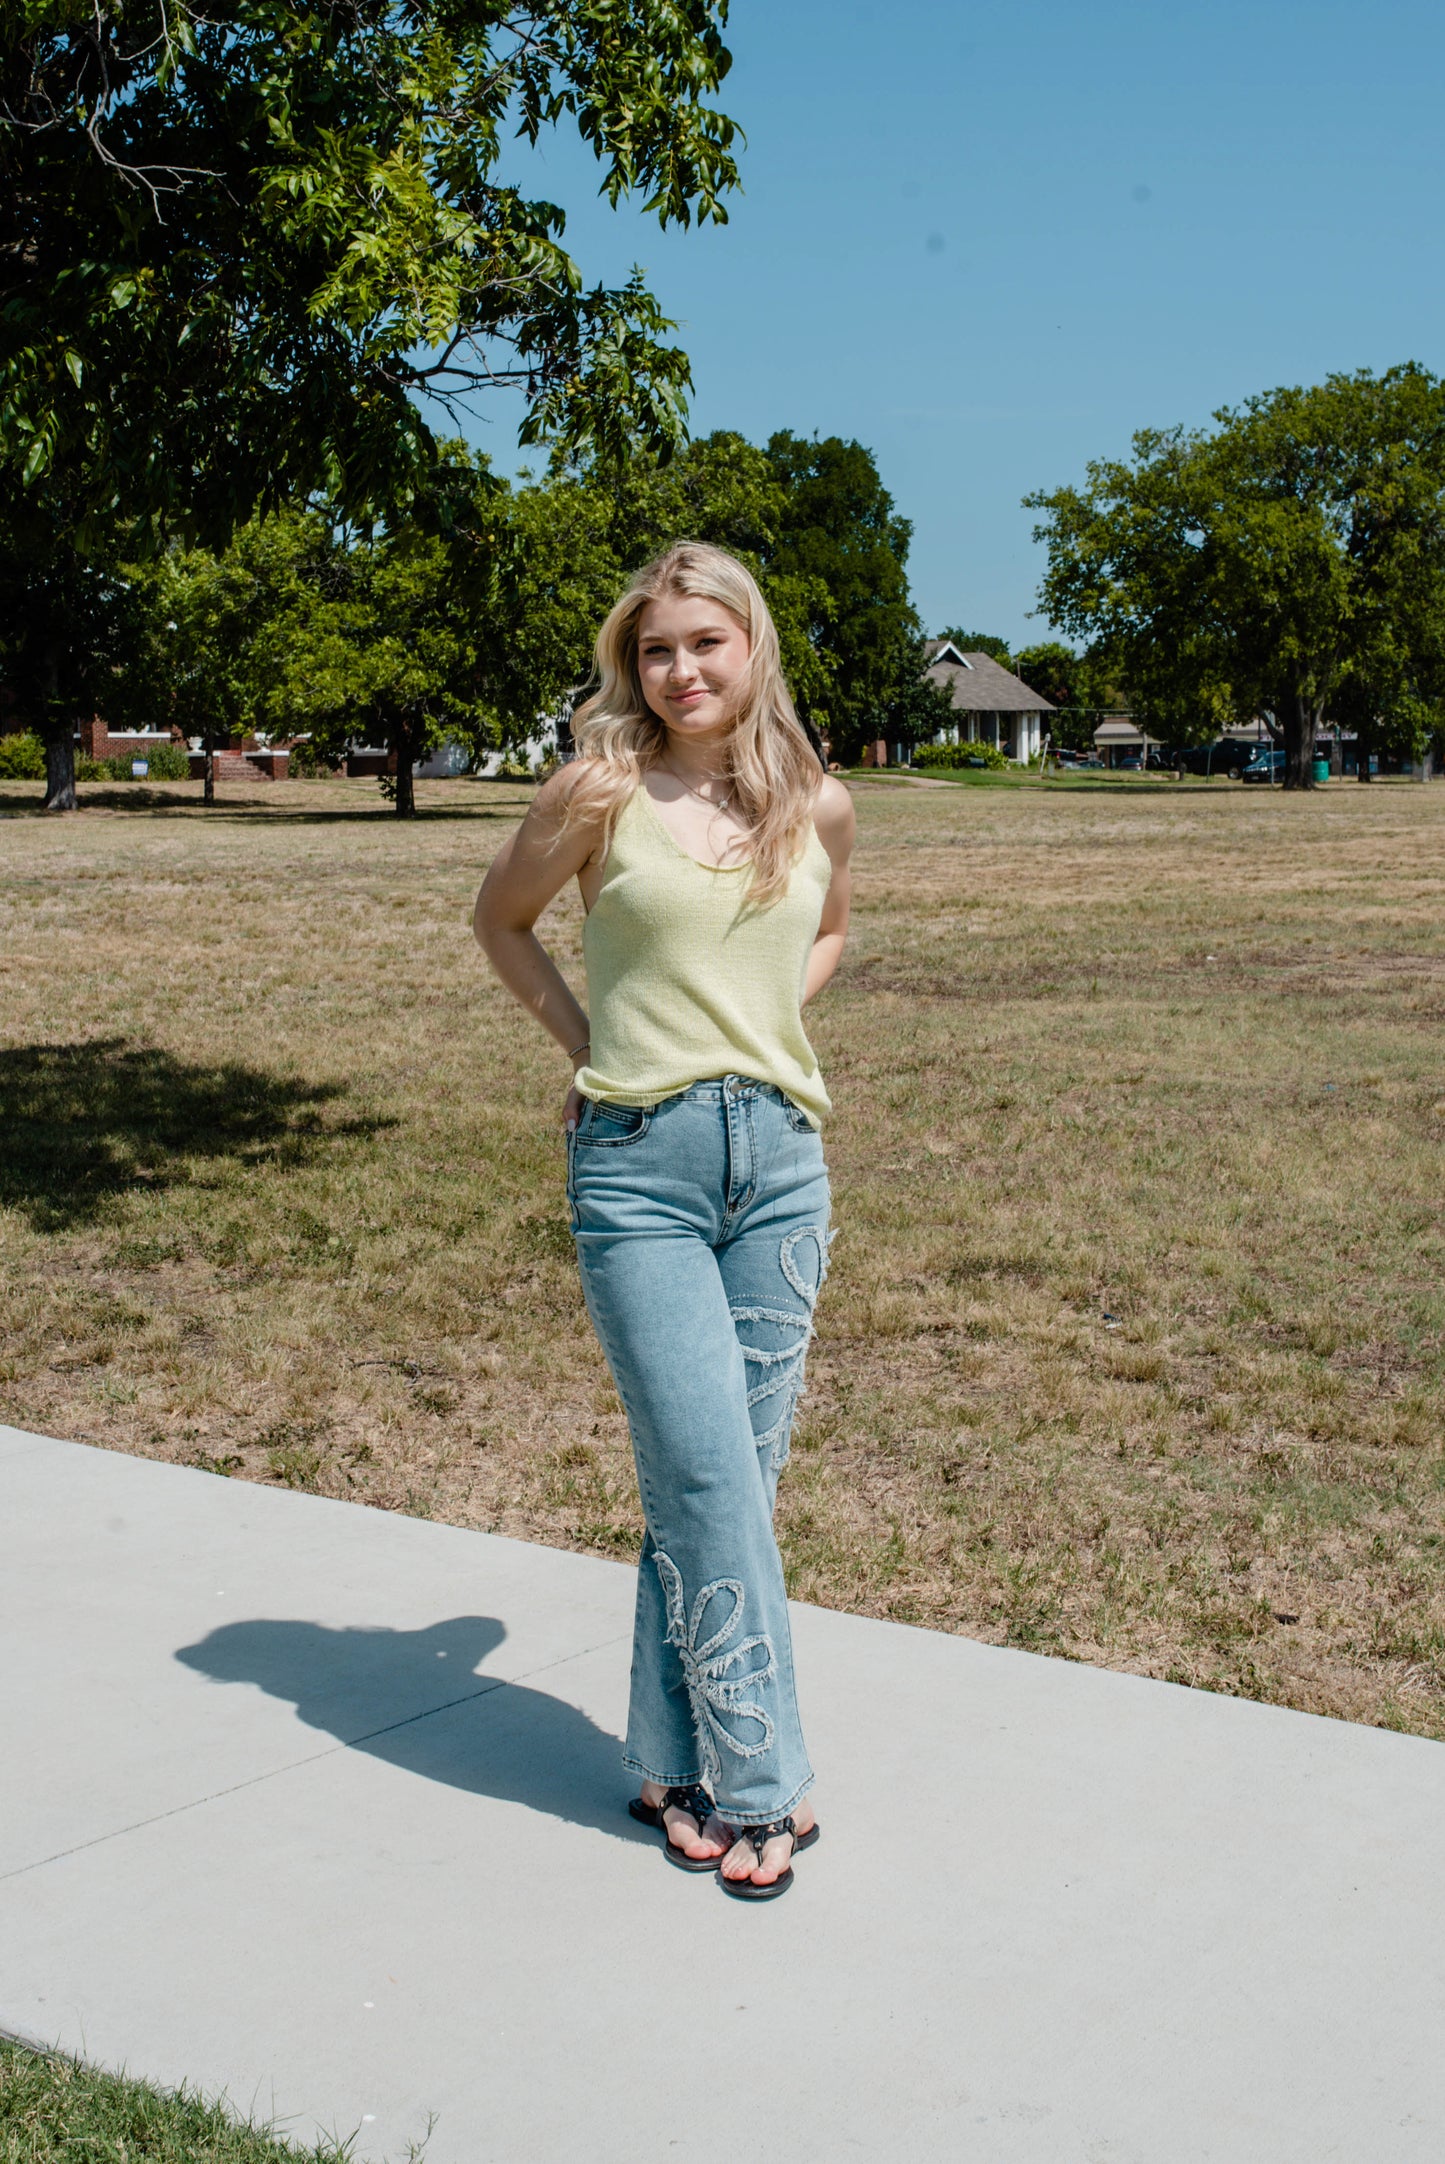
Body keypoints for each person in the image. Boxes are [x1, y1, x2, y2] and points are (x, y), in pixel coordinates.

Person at [473, 541, 854, 1899]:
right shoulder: (599, 790)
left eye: (705, 641)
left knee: (729, 1488)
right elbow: (501, 922)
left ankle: (664, 1754)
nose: (680, 669)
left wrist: (765, 1024)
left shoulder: (814, 801)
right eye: (654, 648)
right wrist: (585, 1048)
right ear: (628, 663)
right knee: (704, 1479)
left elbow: (827, 935)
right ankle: (760, 1783)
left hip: (782, 1167)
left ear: (751, 647)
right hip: (638, 1163)